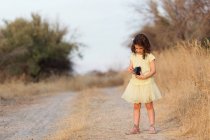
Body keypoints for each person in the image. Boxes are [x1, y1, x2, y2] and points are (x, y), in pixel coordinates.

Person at [121, 33, 162, 135]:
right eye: (136, 48)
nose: (138, 50)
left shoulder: (149, 56)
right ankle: (136, 127)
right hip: (135, 84)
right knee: (136, 106)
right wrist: (130, 69)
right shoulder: (133, 56)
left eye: (140, 48)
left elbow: (153, 70)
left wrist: (145, 76)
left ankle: (152, 126)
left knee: (149, 105)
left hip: (147, 83)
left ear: (145, 46)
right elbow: (130, 67)